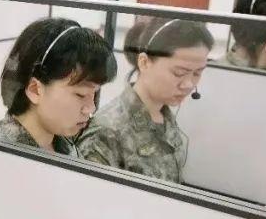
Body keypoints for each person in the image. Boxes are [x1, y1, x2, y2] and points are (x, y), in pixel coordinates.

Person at [77, 17, 213, 183]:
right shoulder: (108, 131)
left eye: (197, 73)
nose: (189, 84)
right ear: (144, 62)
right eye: (179, 73)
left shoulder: (165, 116)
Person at [0, 18, 117, 155]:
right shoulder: (2, 158)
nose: (90, 108)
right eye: (81, 94)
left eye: (94, 94)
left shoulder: (61, 141)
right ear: (35, 90)